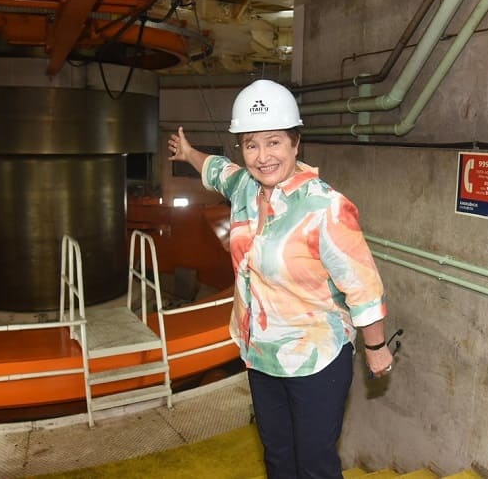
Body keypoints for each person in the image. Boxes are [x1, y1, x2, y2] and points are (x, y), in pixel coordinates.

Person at [168, 79, 393, 479]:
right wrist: (188, 153)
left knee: (314, 465)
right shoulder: (243, 187)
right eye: (251, 144)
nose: (262, 156)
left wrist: (376, 348)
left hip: (315, 359)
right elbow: (215, 169)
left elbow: (363, 287)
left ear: (295, 143)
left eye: (274, 142)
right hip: (260, 355)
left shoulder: (325, 207)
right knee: (277, 457)